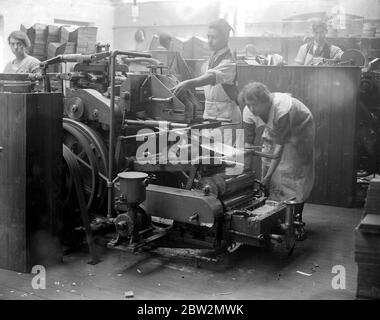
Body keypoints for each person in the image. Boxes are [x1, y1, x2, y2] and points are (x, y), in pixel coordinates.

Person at [240, 82, 315, 240]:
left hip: (299, 128)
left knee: (293, 172)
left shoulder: (282, 108)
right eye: (249, 104)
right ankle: (277, 219)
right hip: (276, 129)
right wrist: (245, 174)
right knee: (269, 171)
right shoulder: (248, 112)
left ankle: (295, 222)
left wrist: (266, 178)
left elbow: (278, 153)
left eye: (256, 104)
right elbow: (248, 144)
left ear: (266, 101)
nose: (252, 109)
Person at [172, 19, 241, 147]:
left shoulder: (229, 61)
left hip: (227, 118)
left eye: (214, 37)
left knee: (224, 159)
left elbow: (211, 77)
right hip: (210, 115)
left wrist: (188, 83)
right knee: (209, 157)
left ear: (225, 37)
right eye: (208, 37)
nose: (210, 41)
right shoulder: (211, 59)